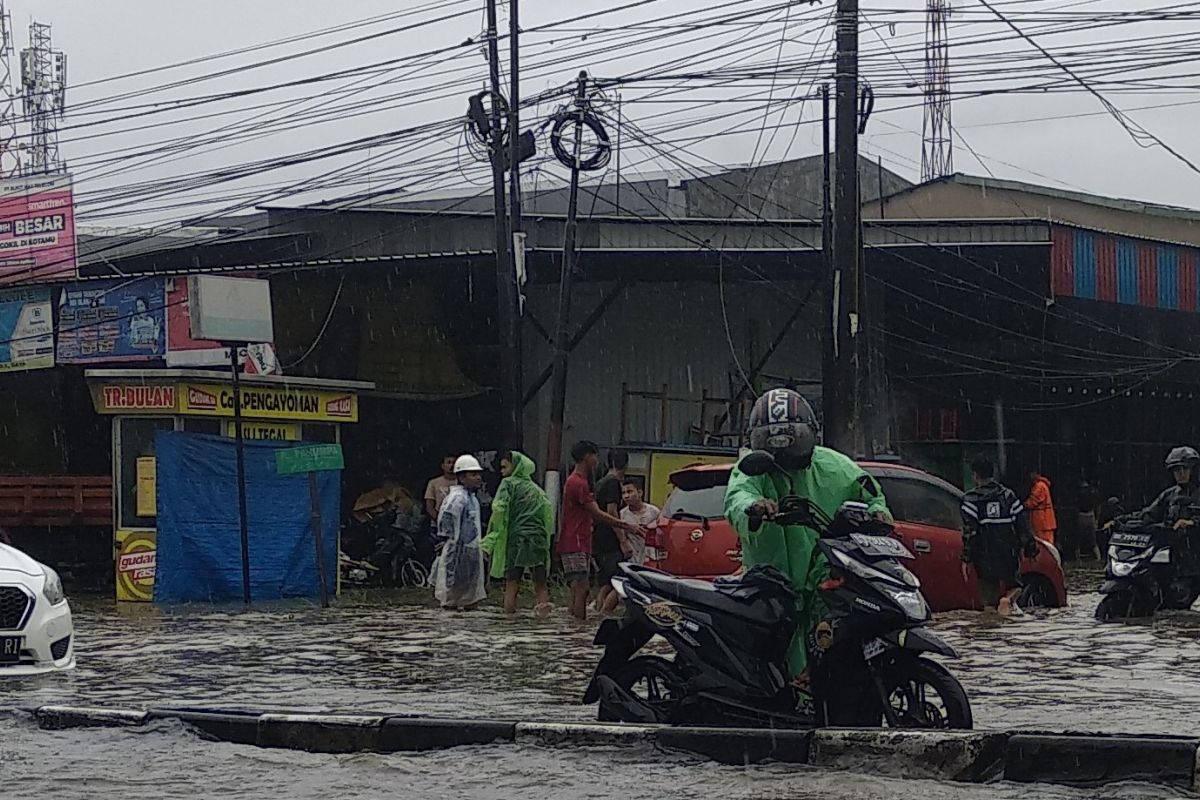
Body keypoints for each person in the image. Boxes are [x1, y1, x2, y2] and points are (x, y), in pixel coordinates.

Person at [724, 388, 891, 683]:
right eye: (771, 441)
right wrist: (754, 507)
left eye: (793, 440)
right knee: (773, 659)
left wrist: (878, 512)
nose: (784, 452)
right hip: (772, 582)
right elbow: (737, 497)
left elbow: (870, 492)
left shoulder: (835, 466)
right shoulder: (754, 470)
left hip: (825, 580)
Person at [558, 441, 639, 621]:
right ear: (588, 456)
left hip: (581, 540)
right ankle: (579, 628)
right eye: (595, 456)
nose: (597, 460)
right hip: (576, 540)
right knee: (583, 587)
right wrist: (627, 527)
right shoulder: (579, 483)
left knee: (578, 586)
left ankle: (573, 628)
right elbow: (599, 513)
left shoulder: (584, 482)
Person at [961, 456, 1039, 615]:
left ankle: (992, 627)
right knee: (1015, 586)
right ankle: (1008, 600)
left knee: (988, 601)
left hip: (984, 555)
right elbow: (1022, 526)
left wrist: (967, 558)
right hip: (1008, 552)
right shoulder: (1008, 496)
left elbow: (970, 533)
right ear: (992, 473)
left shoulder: (971, 500)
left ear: (975, 475)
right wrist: (1030, 548)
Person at [481, 450, 554, 616]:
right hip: (538, 540)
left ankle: (509, 619)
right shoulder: (537, 490)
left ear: (515, 467)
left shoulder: (508, 485)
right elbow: (547, 517)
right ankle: (544, 618)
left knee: (512, 581)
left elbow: (499, 510)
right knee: (540, 582)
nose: (501, 471)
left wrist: (491, 538)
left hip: (517, 539)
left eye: (504, 467)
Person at [432, 455, 488, 610]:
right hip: (457, 552)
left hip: (471, 551)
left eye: (478, 474)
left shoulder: (471, 498)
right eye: (473, 474)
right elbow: (446, 525)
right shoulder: (457, 498)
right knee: (452, 595)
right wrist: (449, 542)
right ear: (462, 477)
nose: (478, 478)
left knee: (471, 593)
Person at [594, 451, 634, 615]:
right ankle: (604, 615)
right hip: (609, 540)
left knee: (606, 583)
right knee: (619, 582)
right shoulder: (613, 484)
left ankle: (596, 615)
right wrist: (623, 540)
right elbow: (612, 512)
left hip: (598, 538)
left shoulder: (600, 483)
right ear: (625, 465)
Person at [619, 479, 660, 566]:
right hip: (633, 558)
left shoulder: (654, 511)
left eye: (629, 492)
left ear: (640, 493)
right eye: (623, 493)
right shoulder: (622, 515)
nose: (626, 496)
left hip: (651, 558)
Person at [1026, 471, 1058, 547]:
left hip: (1042, 522)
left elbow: (1033, 501)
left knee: (1043, 544)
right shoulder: (1041, 485)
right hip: (1044, 521)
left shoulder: (1039, 486)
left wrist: (1023, 505)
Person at [424, 455, 458, 521]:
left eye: (454, 463)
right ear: (443, 466)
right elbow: (429, 507)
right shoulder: (433, 483)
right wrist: (440, 519)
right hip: (437, 523)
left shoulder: (462, 483)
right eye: (449, 462)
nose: (452, 465)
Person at [1077, 478, 1102, 561]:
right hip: (1090, 515)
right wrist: (1097, 519)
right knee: (1092, 539)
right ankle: (1098, 557)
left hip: (1082, 515)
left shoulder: (1080, 492)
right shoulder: (1093, 492)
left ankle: (1079, 557)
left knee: (1080, 538)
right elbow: (1098, 506)